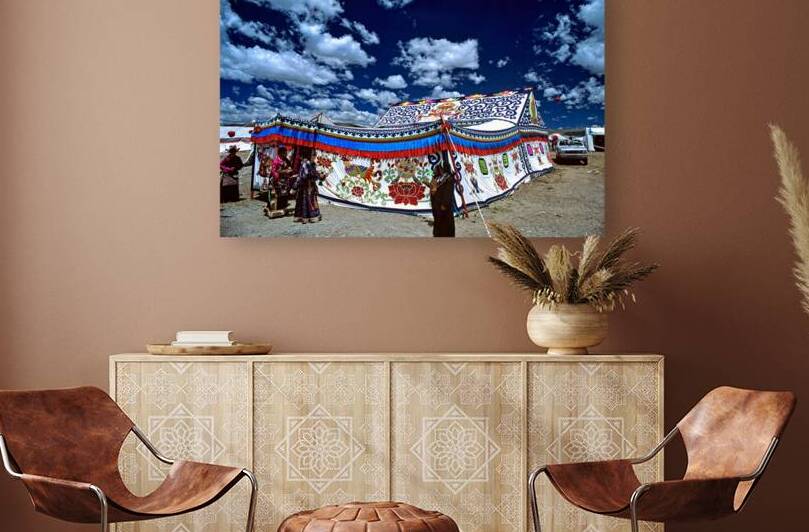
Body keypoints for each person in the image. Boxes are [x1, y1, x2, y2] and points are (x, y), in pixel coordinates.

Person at [292, 151, 324, 223]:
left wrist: (320, 176)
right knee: (304, 202)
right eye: (313, 155)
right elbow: (303, 176)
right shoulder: (305, 164)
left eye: (315, 155)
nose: (315, 157)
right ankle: (304, 217)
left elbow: (314, 174)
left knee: (312, 202)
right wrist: (295, 187)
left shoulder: (312, 164)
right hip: (304, 187)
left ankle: (312, 216)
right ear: (309, 155)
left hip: (311, 187)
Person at [429, 163, 457, 237]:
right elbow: (432, 188)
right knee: (438, 223)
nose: (436, 170)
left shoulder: (448, 178)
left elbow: (448, 192)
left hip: (444, 206)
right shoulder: (436, 178)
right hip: (436, 205)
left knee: (446, 225)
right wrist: (432, 191)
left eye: (438, 168)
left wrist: (445, 204)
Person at [266, 146, 293, 214]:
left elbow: (289, 166)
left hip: (285, 181)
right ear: (280, 153)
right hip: (278, 181)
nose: (286, 154)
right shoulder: (276, 161)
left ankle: (283, 208)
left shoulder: (286, 160)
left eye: (286, 152)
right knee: (277, 195)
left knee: (284, 195)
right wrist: (284, 171)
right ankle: (274, 209)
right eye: (284, 153)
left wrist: (289, 169)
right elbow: (274, 171)